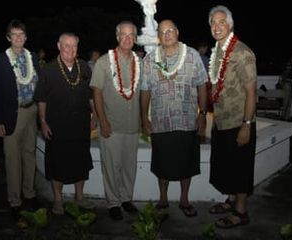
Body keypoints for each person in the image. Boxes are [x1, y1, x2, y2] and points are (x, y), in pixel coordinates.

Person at [140, 19, 208, 218]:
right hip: (161, 122)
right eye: (162, 31)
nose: (167, 34)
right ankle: (163, 198)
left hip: (187, 121)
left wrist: (202, 114)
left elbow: (202, 85)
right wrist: (144, 118)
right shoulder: (150, 59)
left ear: (177, 32)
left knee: (187, 161)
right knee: (162, 161)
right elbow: (144, 90)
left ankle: (184, 199)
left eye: (170, 30)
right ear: (158, 37)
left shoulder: (193, 55)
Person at [33, 33, 96, 215]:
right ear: (59, 46)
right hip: (57, 126)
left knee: (81, 162)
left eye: (74, 46)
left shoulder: (84, 66)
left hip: (81, 124)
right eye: (66, 45)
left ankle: (79, 196)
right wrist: (43, 122)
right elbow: (42, 99)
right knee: (57, 163)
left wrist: (95, 116)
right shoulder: (49, 70)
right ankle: (58, 200)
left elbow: (91, 95)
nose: (70, 49)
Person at [207, 5, 257, 229]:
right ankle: (231, 201)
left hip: (238, 121)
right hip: (221, 120)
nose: (217, 27)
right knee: (227, 165)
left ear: (230, 25)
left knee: (240, 167)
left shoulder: (242, 52)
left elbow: (251, 92)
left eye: (221, 22)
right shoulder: (217, 51)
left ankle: (241, 212)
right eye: (213, 23)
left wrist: (246, 125)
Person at [90, 21, 141, 220]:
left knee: (130, 165)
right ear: (117, 37)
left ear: (135, 38)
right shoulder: (104, 62)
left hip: (132, 125)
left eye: (131, 35)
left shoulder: (140, 62)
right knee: (111, 166)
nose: (127, 38)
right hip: (111, 124)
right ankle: (113, 202)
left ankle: (126, 198)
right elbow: (97, 93)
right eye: (123, 35)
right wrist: (102, 121)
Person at [0, 19, 40, 218]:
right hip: (12, 114)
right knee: (12, 159)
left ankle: (29, 193)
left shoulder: (32, 57)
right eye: (14, 35)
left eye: (22, 35)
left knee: (29, 154)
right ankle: (15, 200)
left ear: (26, 37)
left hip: (31, 111)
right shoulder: (0, 60)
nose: (18, 38)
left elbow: (39, 83)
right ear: (9, 38)